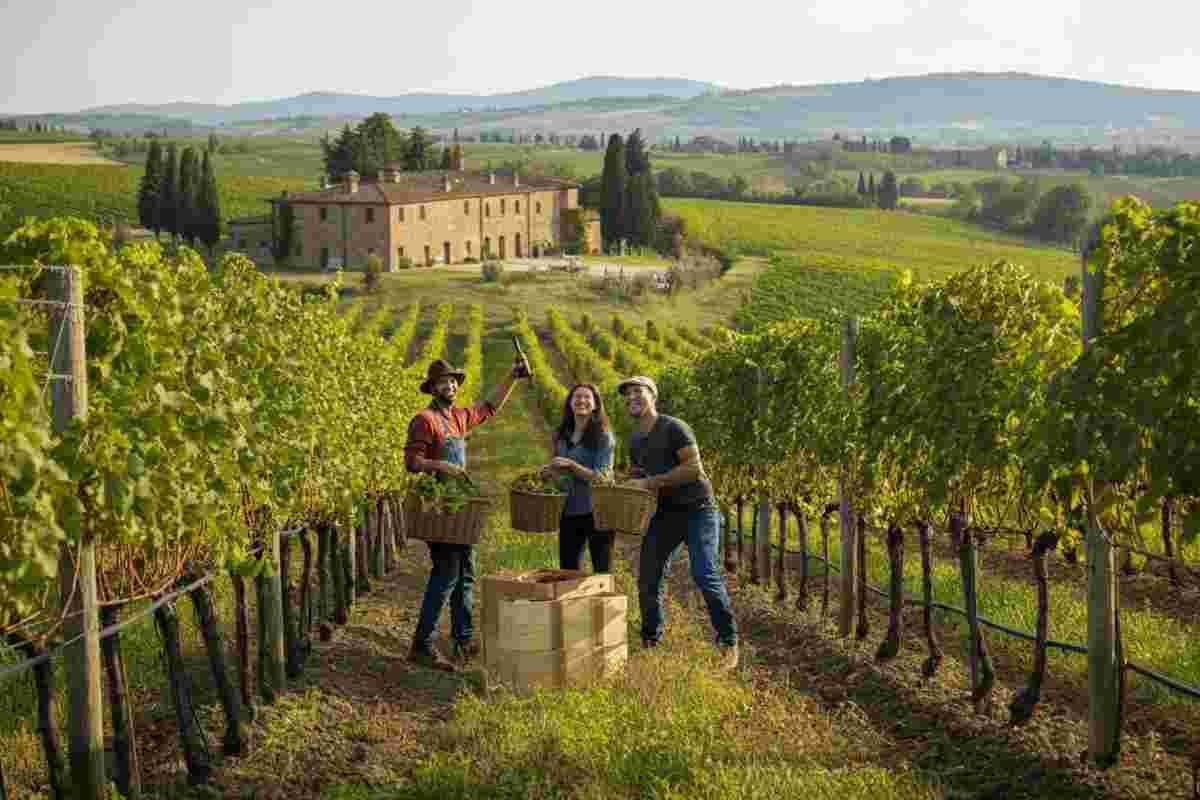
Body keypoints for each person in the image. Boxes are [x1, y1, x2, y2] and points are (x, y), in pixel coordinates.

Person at [404, 355, 529, 672]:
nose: (450, 385)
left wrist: (512, 376)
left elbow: (489, 407)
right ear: (432, 387)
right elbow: (413, 462)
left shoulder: (458, 417)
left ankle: (463, 639)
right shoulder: (425, 419)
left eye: (453, 380)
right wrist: (441, 465)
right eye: (443, 381)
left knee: (467, 572)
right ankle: (422, 643)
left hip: (462, 504)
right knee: (446, 572)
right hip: (440, 506)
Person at [616, 374, 738, 671]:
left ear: (652, 396)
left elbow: (694, 469)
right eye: (627, 394)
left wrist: (650, 482)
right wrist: (623, 485)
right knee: (648, 575)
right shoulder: (635, 440)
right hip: (667, 513)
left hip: (699, 510)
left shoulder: (674, 427)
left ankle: (728, 641)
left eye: (638, 392)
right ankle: (650, 640)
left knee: (703, 572)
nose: (632, 397)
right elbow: (638, 475)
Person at [544, 384, 616, 573]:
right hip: (569, 510)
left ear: (595, 405)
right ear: (569, 403)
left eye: (587, 397)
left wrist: (572, 465)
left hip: (598, 512)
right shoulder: (561, 435)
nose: (581, 401)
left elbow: (603, 478)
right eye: (577, 397)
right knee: (568, 570)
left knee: (602, 572)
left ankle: (603, 604)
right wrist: (549, 471)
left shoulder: (603, 437)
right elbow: (559, 472)